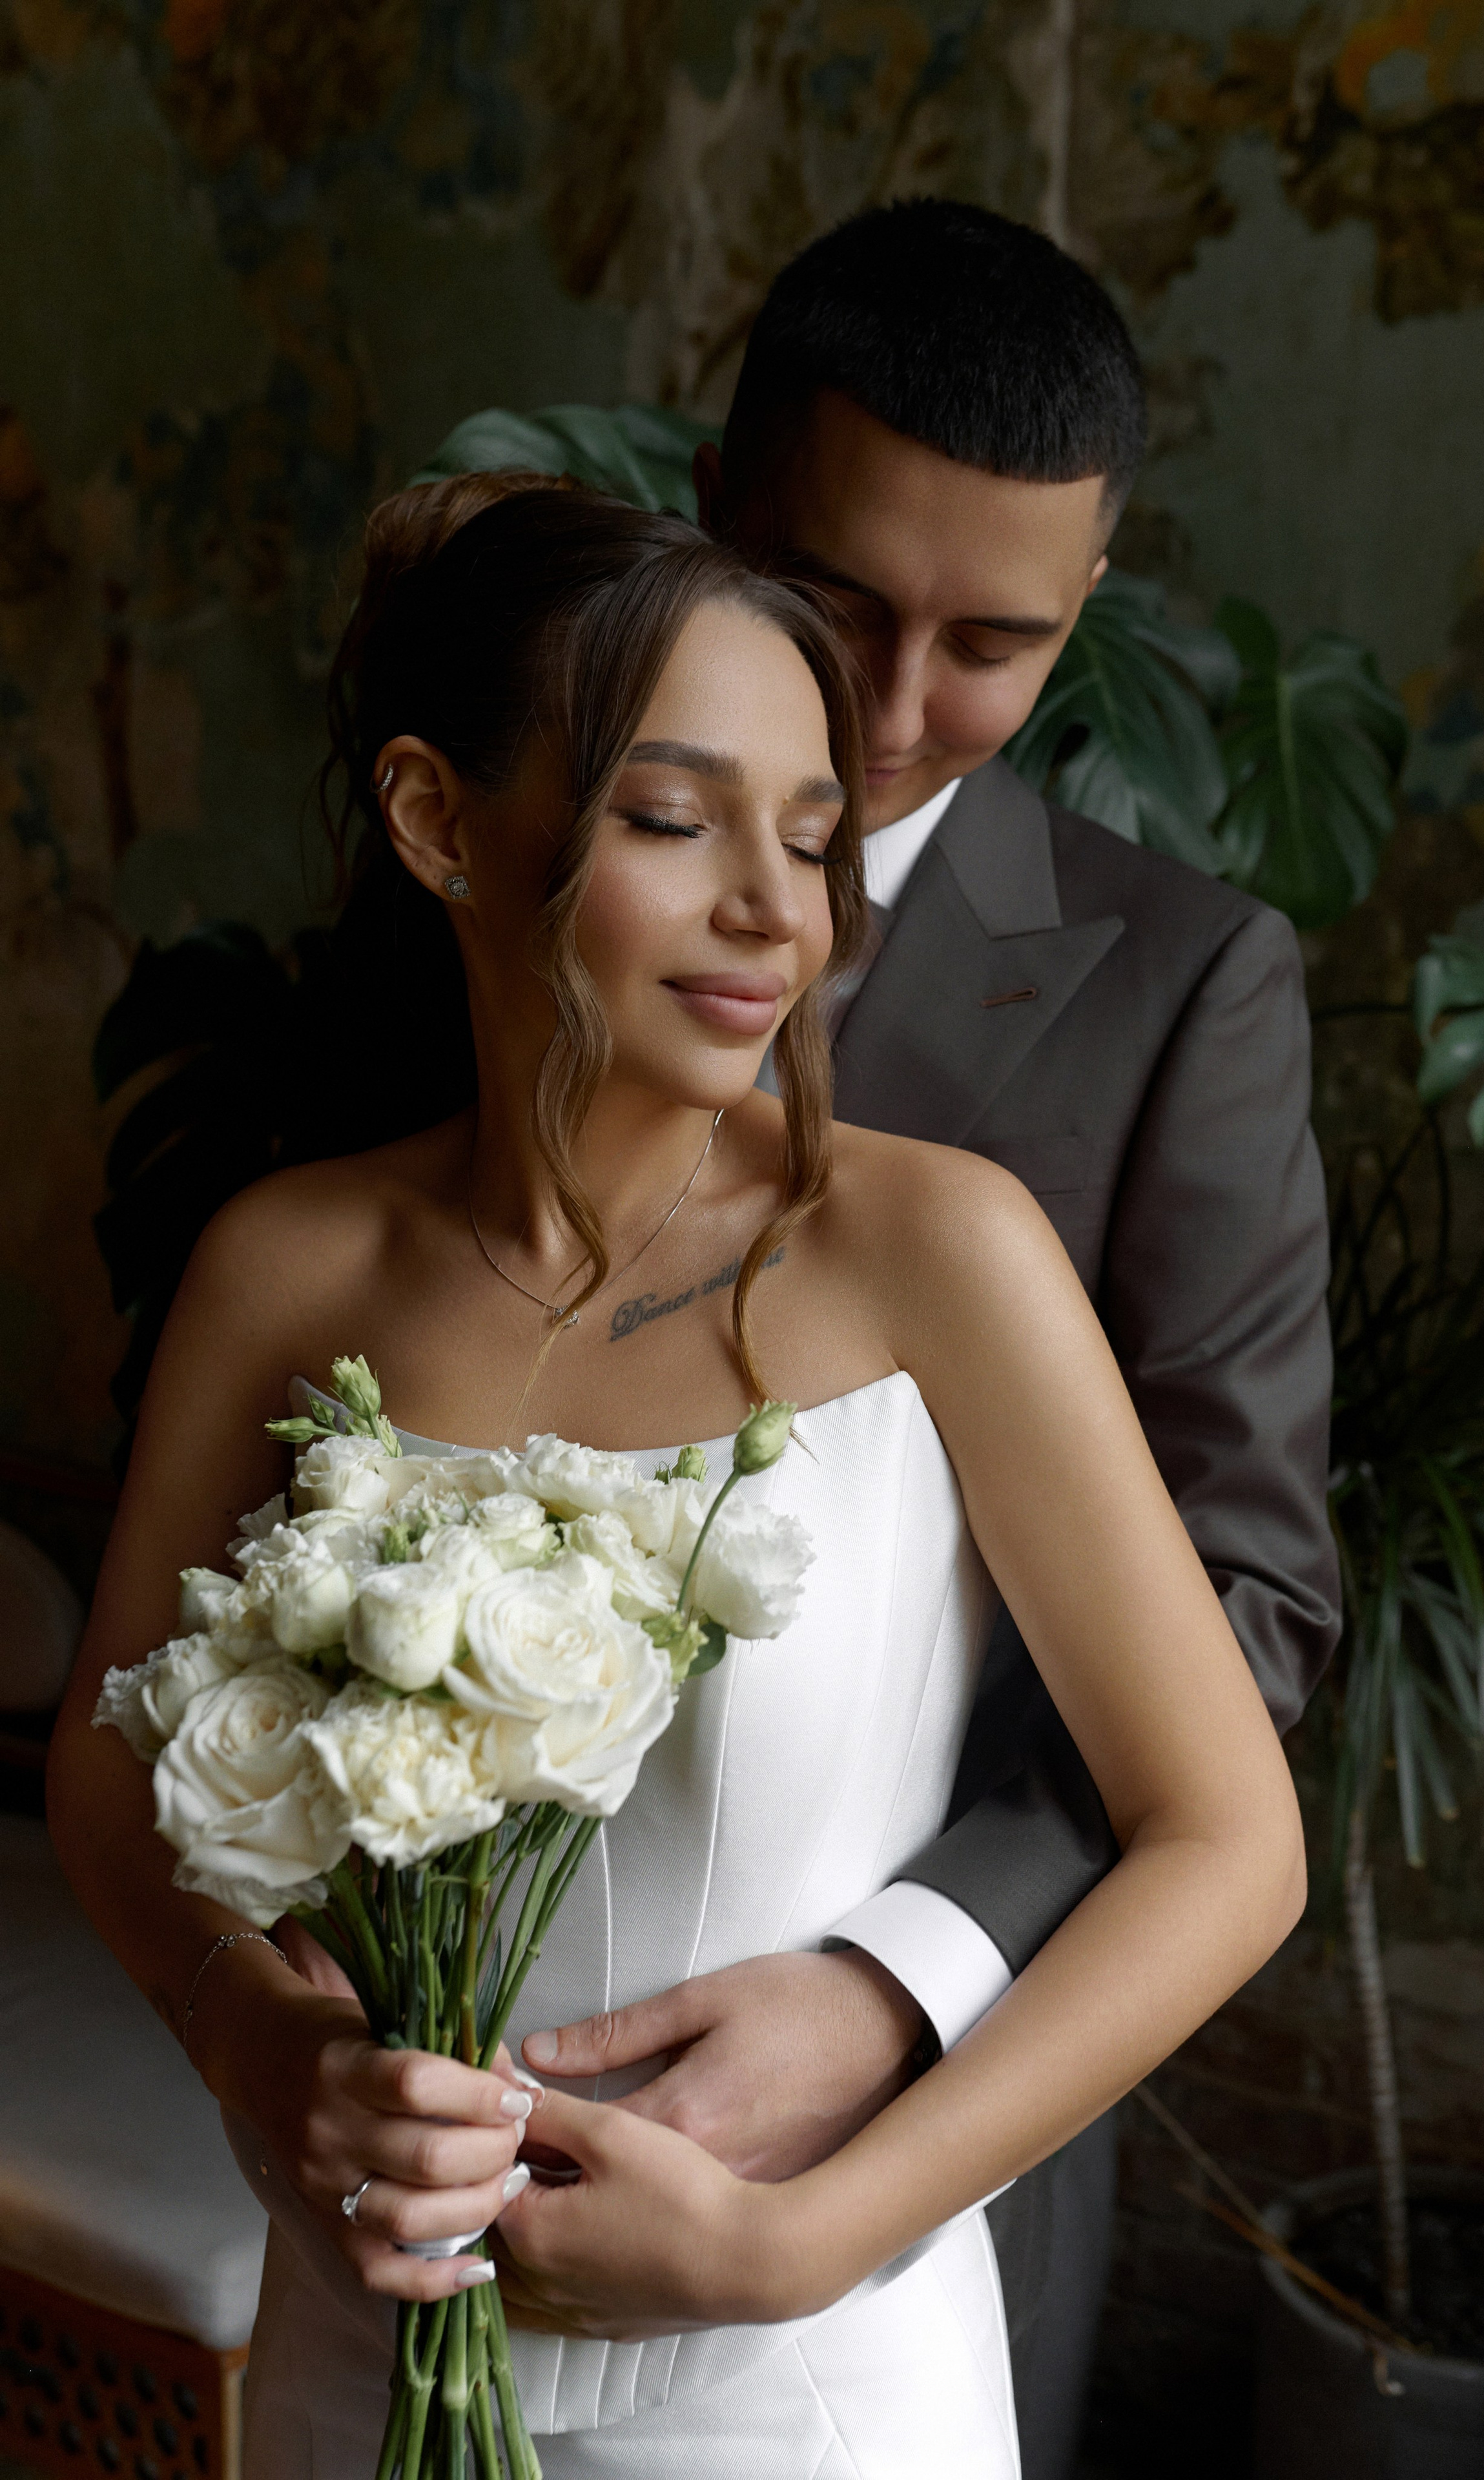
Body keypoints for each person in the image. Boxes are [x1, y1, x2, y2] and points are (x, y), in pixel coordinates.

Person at [49, 476, 1306, 2475]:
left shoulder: (939, 1255)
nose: (775, 910)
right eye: (671, 818)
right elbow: (111, 1771)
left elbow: (1228, 1843)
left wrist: (805, 2246)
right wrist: (259, 2044)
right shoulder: (286, 1267)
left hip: (804, 2390)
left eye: (810, 840)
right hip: (361, 2350)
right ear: (440, 821)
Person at [510, 200, 1341, 2478]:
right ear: (717, 498)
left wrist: (893, 1990)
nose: (887, 717)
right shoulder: (487, 870)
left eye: (991, 645)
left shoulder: (1178, 991)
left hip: (920, 2141)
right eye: (838, 602)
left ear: (1088, 611)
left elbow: (1246, 1600)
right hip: (436, 2103)